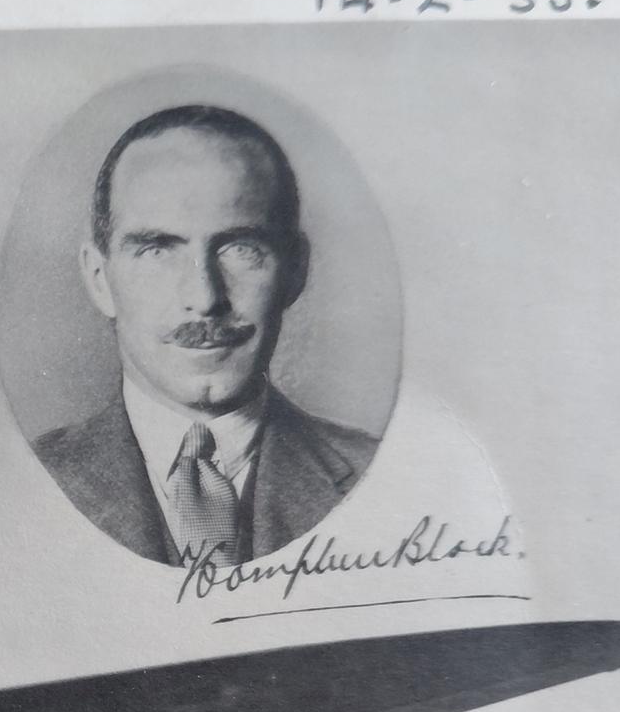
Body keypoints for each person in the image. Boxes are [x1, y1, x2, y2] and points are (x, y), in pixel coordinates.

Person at [32, 105, 380, 568]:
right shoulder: (26, 482)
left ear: (296, 272)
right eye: (157, 250)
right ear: (99, 279)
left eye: (241, 249)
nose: (205, 297)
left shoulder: (382, 476)